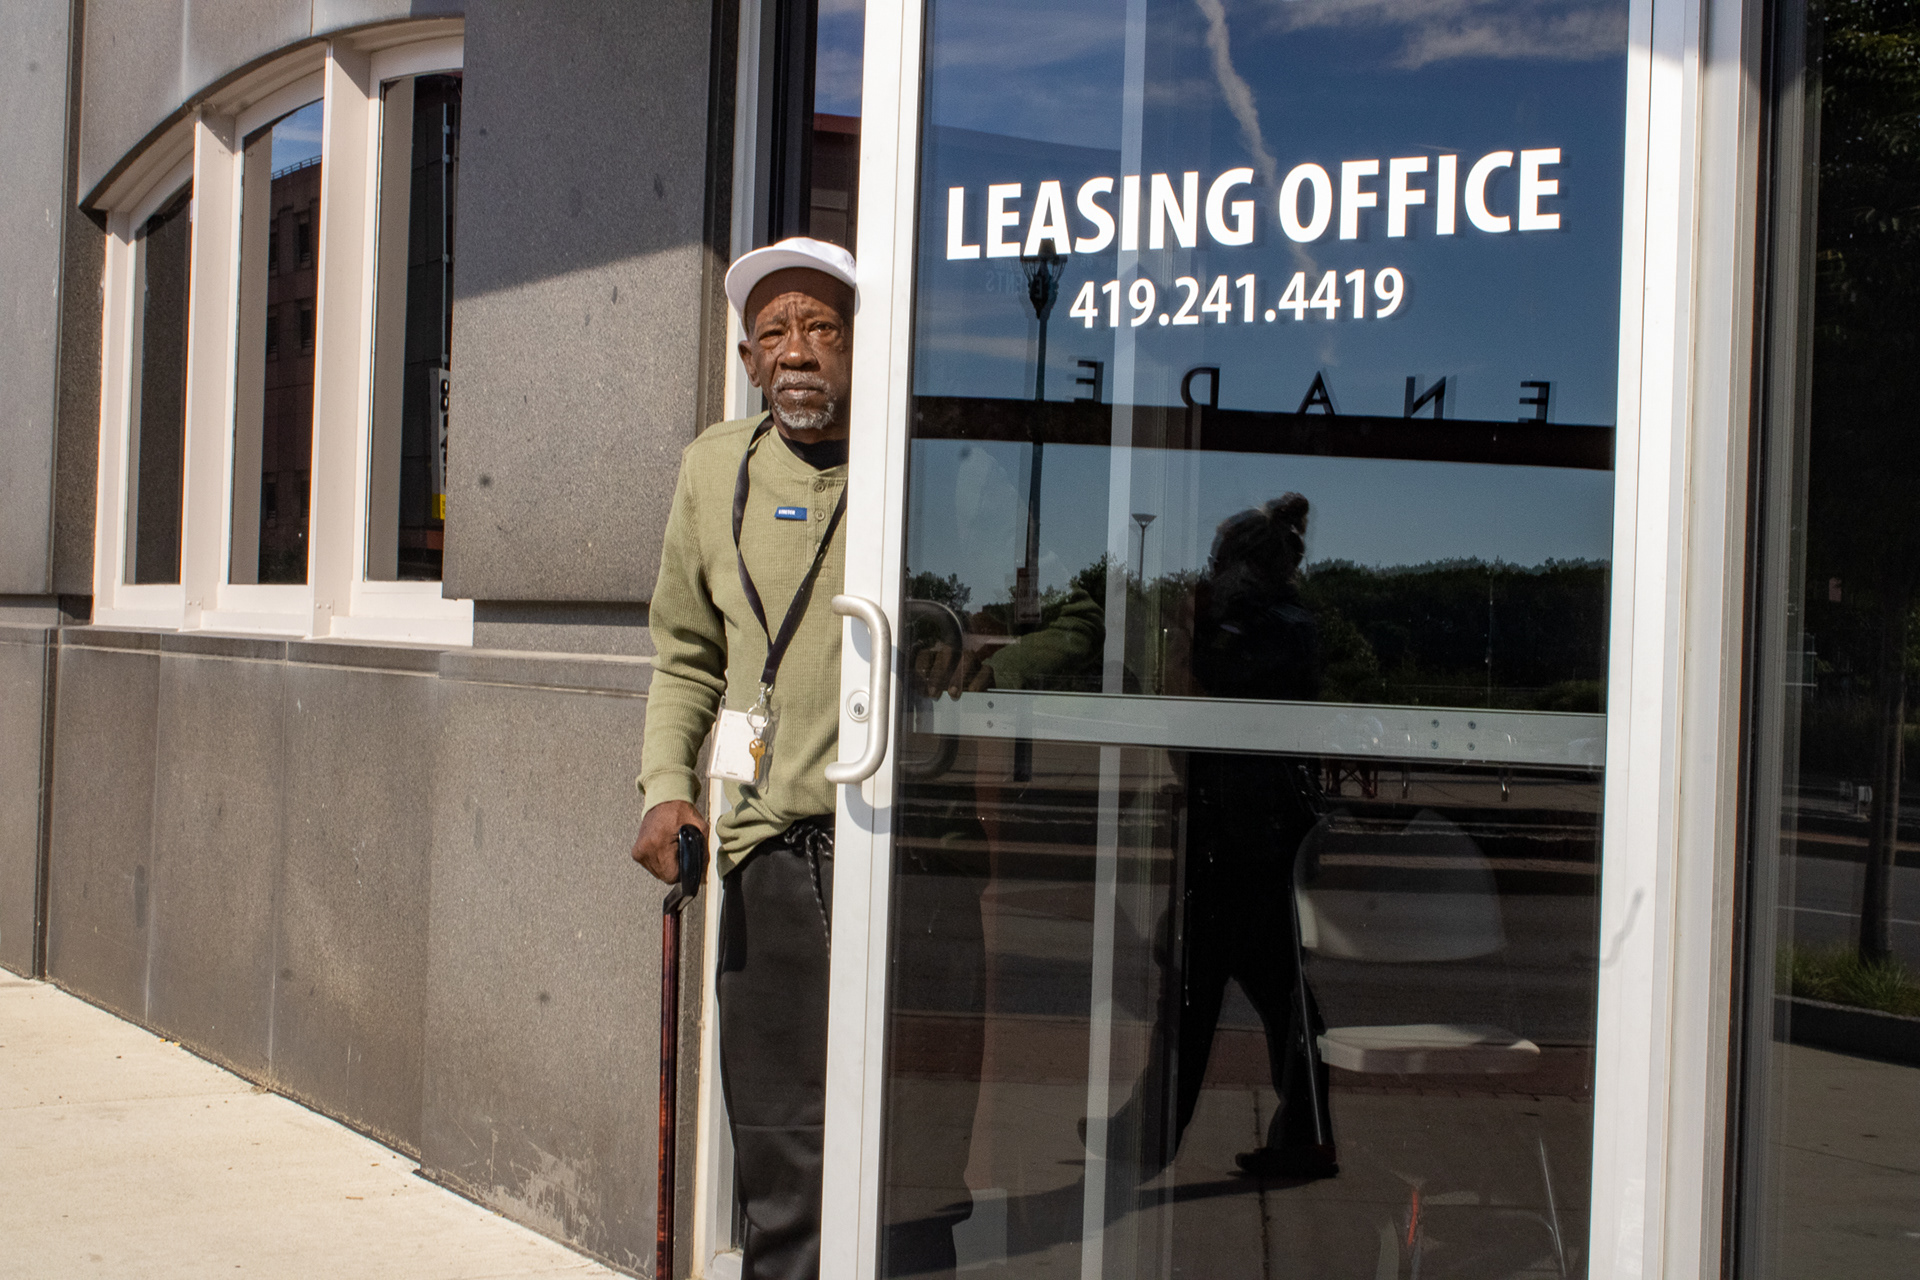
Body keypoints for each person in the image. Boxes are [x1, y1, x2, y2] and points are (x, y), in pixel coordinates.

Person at [631, 236, 857, 1280]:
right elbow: (684, 651)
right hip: (769, 847)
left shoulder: (908, 462)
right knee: (780, 1136)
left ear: (858, 344)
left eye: (820, 325)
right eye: (775, 331)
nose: (797, 349)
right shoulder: (712, 466)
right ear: (746, 353)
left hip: (894, 845)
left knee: (905, 1128)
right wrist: (666, 790)